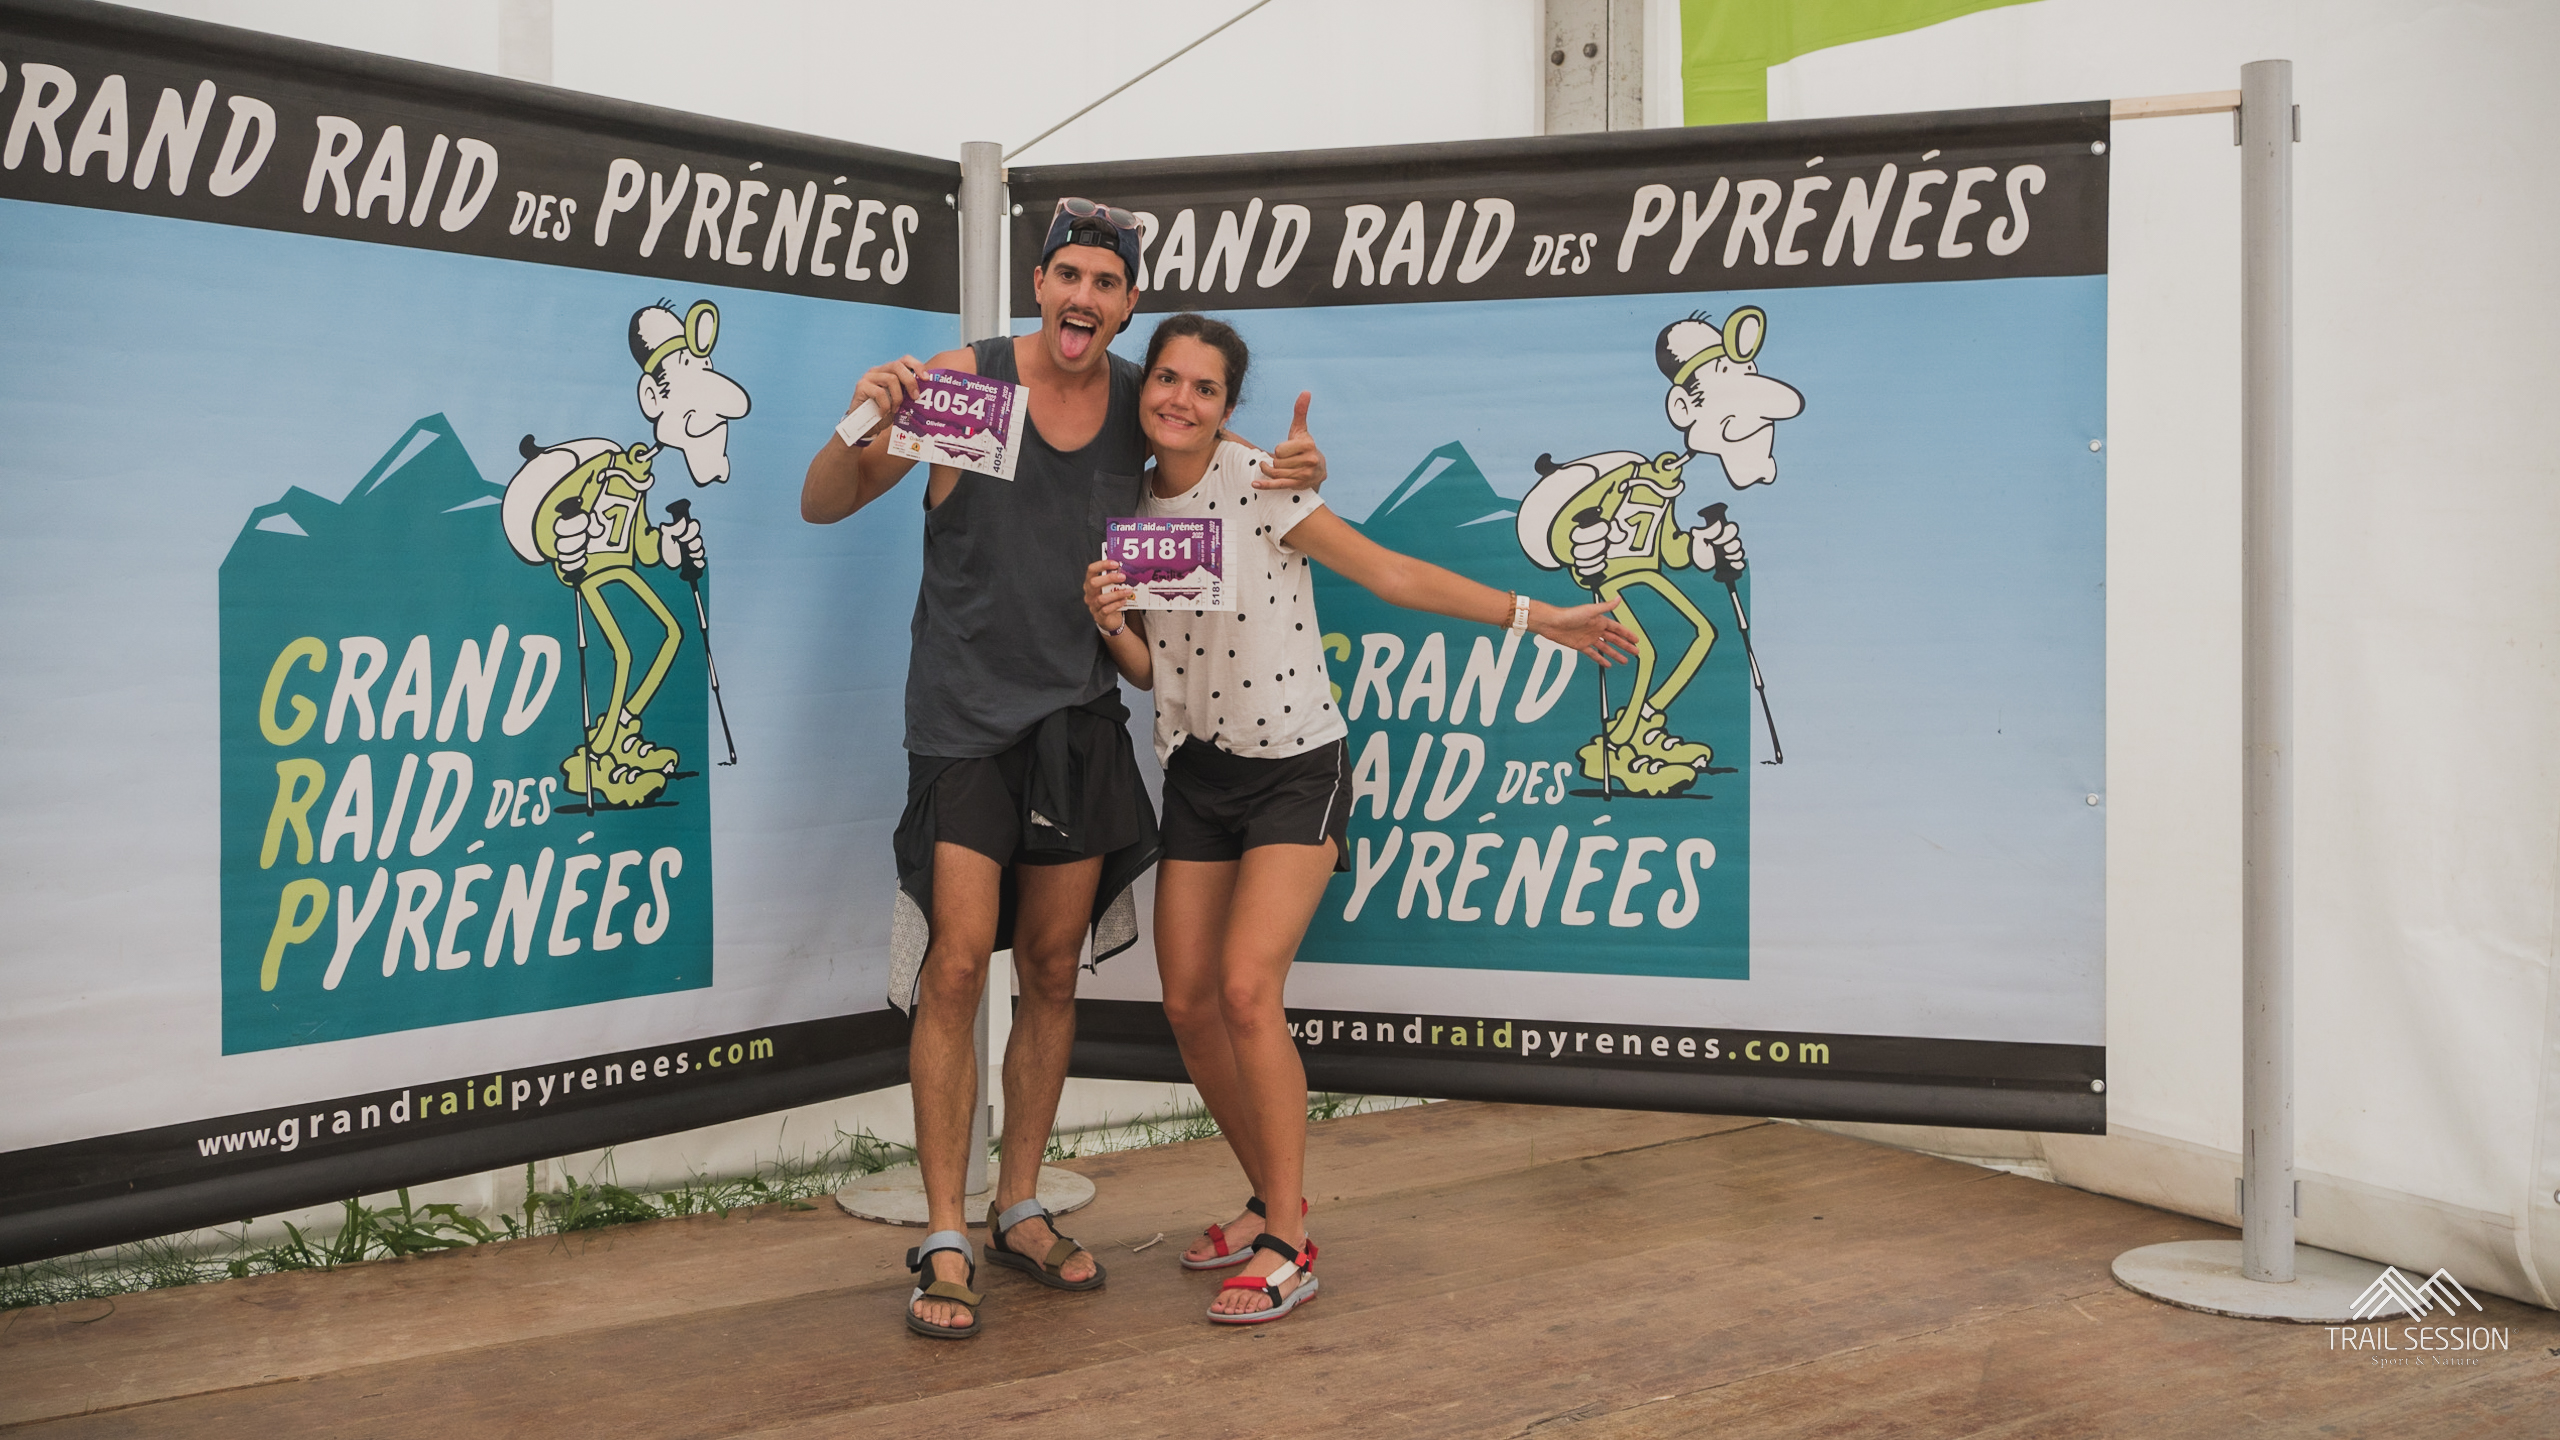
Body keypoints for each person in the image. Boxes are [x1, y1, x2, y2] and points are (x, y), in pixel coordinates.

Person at [800, 201, 1325, 1340]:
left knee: (1049, 970)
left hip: (1081, 723)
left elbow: (1232, 466)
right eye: (1068, 274)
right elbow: (823, 502)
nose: (1084, 295)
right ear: (1037, 284)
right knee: (953, 967)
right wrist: (863, 419)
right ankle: (946, 1230)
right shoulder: (971, 385)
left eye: (1106, 281)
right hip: (964, 723)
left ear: (1128, 302)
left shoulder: (1145, 402)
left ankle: (1020, 1208)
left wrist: (1301, 466)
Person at [1082, 313, 1636, 1323]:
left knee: (1246, 990)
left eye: (1204, 387)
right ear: (1143, 386)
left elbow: (1389, 573)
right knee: (1188, 1007)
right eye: (1167, 378)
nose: (1180, 399)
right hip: (1199, 771)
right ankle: (1270, 1203)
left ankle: (1288, 1245)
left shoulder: (1262, 481)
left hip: (1297, 767)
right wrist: (1112, 622)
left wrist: (1540, 617)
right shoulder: (1130, 501)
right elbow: (1154, 667)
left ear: (1228, 407)